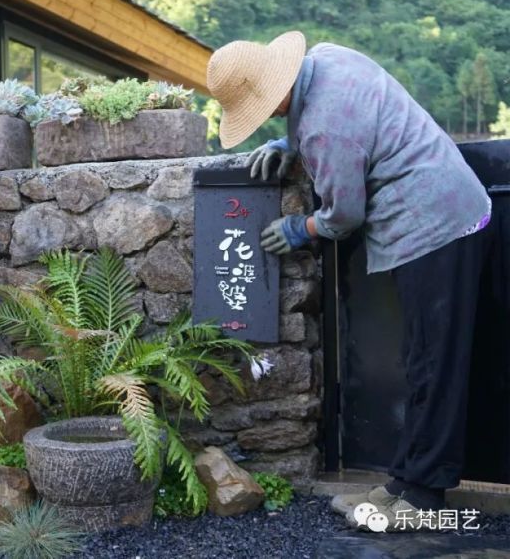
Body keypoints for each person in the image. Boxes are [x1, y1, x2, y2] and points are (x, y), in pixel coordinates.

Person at [205, 31, 492, 532]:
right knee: (422, 360)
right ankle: (403, 482)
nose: (272, 117)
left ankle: (424, 497)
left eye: (268, 111)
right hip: (449, 204)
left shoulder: (323, 129)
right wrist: (289, 142)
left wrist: (299, 228)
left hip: (438, 224)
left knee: (434, 365)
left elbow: (343, 215)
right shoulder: (328, 58)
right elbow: (352, 121)